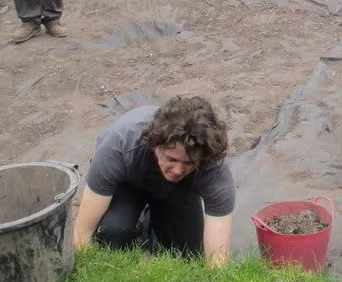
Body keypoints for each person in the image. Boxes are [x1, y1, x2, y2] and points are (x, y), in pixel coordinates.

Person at [73, 96, 234, 266]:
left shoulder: (214, 168)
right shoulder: (119, 145)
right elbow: (81, 235)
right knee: (114, 233)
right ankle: (139, 219)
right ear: (154, 146)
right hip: (128, 183)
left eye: (188, 162)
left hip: (181, 188)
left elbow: (217, 262)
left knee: (189, 254)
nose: (178, 170)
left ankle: (157, 217)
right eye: (171, 159)